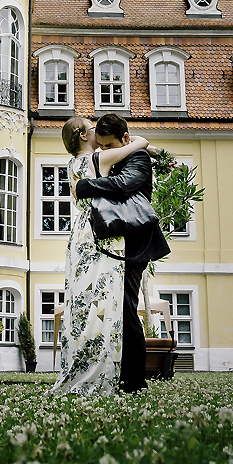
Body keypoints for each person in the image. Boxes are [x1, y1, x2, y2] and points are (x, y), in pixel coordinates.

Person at [54, 116, 154, 396]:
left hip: (80, 236)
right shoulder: (99, 160)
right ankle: (110, 370)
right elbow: (137, 144)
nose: (97, 131)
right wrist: (147, 145)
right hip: (102, 234)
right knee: (107, 302)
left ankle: (86, 364)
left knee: (85, 303)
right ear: (85, 135)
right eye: (92, 128)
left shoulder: (72, 164)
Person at [74, 113, 171, 394]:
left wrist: (84, 186)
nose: (105, 151)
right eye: (101, 146)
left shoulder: (137, 158)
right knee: (115, 307)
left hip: (135, 246)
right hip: (117, 245)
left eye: (110, 145)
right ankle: (115, 373)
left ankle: (135, 380)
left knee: (126, 308)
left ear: (125, 139)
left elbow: (123, 185)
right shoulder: (115, 155)